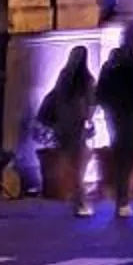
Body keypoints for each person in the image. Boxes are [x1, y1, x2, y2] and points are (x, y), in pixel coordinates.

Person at [96, 24, 133, 219]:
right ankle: (123, 200)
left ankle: (122, 198)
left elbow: (100, 92)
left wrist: (108, 109)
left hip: (114, 117)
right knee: (128, 158)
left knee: (120, 158)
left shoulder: (111, 65)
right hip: (130, 118)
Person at [38, 45, 94, 216]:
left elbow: (55, 97)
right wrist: (89, 121)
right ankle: (81, 202)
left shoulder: (64, 77)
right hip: (78, 129)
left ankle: (79, 200)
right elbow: (91, 104)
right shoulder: (87, 80)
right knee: (79, 169)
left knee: (74, 167)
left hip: (63, 129)